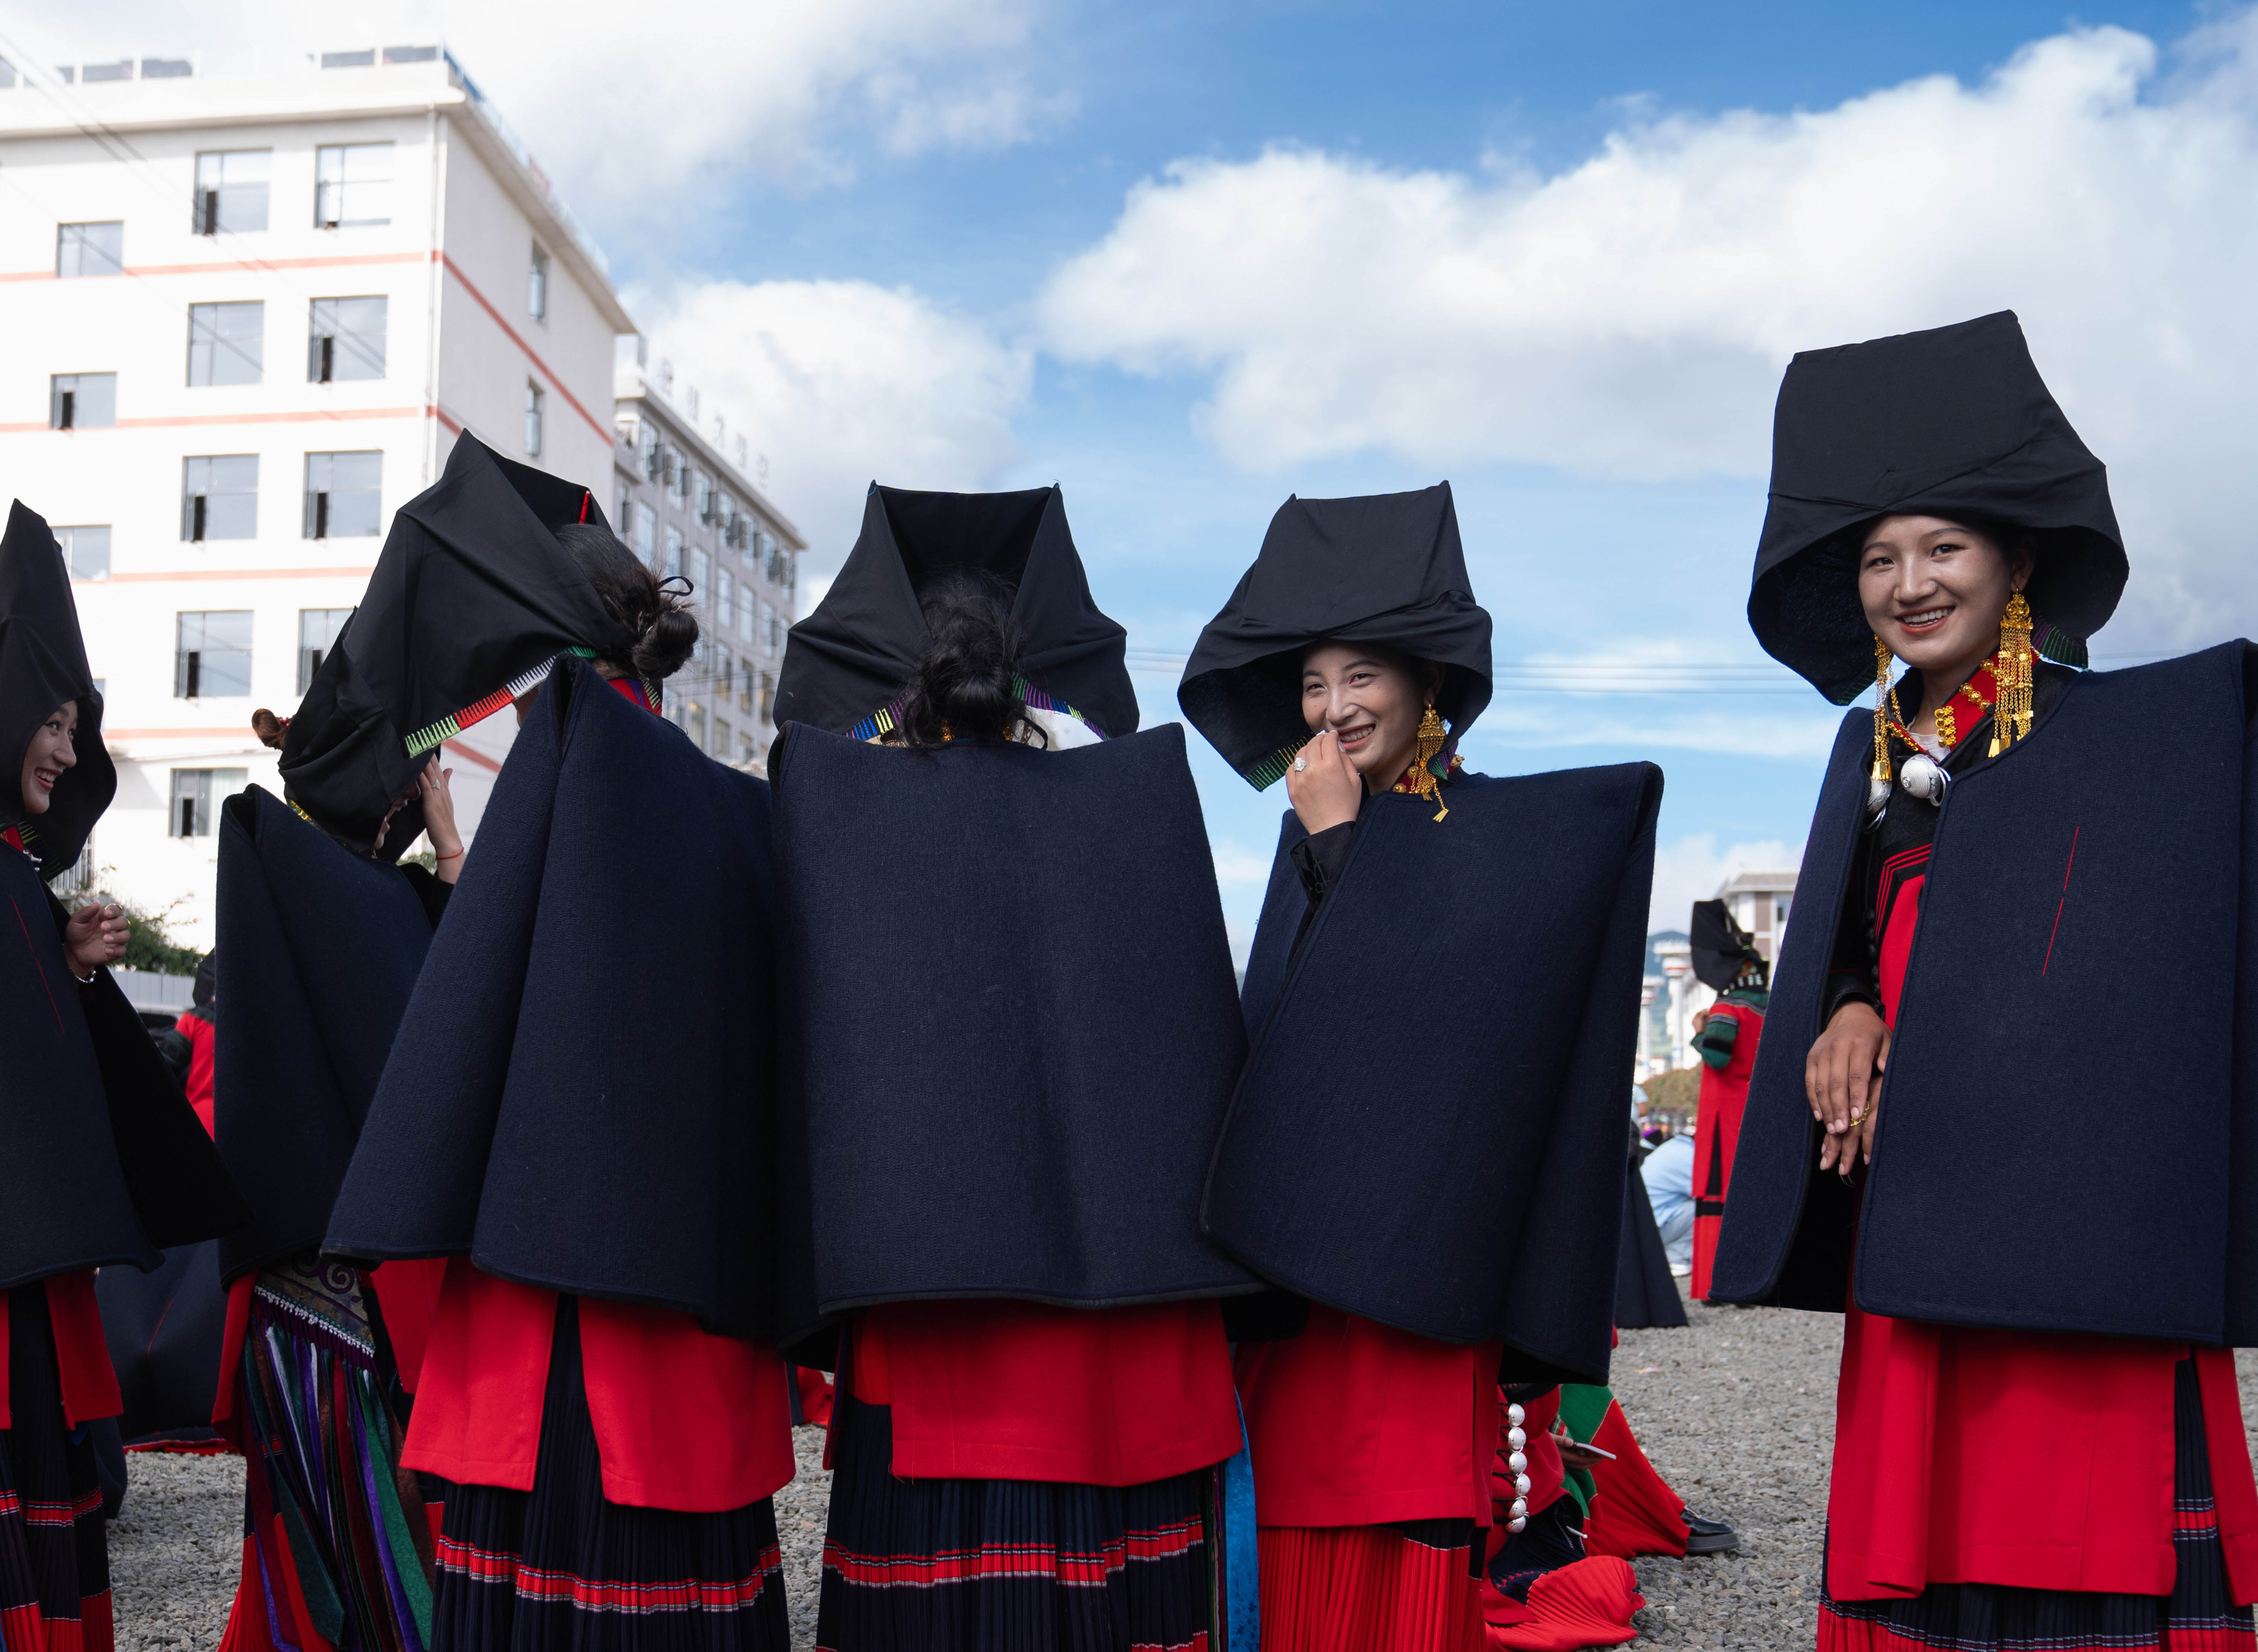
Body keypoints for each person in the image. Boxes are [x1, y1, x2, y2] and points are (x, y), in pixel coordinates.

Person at [1711, 311, 2258, 1652]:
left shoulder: (2130, 745)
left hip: (2091, 1199)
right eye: (1878, 557)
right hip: (1925, 1193)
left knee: (2091, 1506)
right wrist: (1846, 1006)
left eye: (1942, 547)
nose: (1910, 582)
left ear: (2015, 560)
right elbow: (1848, 934)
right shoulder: (1869, 759)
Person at [1180, 484, 1661, 1652]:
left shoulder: (1486, 839)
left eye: (1361, 677)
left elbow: (1440, 1057)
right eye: (1312, 682)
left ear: (1427, 684)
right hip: (1299, 1286)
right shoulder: (1304, 824)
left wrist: (1348, 847)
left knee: (1403, 1535)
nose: (1333, 706)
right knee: (1288, 1536)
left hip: (1421, 1284)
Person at [773, 485, 1250, 1651]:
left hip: (927, 1302)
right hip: (1109, 1320)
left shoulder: (843, 816)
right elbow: (1193, 1052)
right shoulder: (1130, 801)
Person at [325, 505, 796, 1649]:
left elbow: (465, 1027)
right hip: (693, 1320)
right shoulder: (734, 804)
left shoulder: (567, 752)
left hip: (551, 1318)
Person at [210, 434, 614, 1652]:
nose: (427, 787)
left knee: (374, 1556)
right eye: (414, 773)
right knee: (370, 1568)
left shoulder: (361, 887)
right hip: (325, 1306)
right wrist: (441, 854)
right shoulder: (273, 852)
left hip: (361, 1302)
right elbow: (424, 1027)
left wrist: (444, 854)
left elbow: (450, 1010)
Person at [0, 499, 248, 1651]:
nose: (66, 749)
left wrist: (80, 976)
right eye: (50, 722)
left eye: (72, 726)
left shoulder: (17, 883)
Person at [1686, 901, 1767, 1301]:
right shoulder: (1771, 1004)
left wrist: (1699, 1032)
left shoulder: (1729, 1006)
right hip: (1757, 1116)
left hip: (1724, 1117)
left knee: (1718, 1195)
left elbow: (1717, 1054)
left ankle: (1719, 1282)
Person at [1640, 1127, 1694, 1274]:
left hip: (1642, 1228)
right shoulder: (1688, 1155)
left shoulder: (1673, 1148)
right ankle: (1676, 1259)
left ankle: (1670, 1256)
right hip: (1650, 1231)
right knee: (1700, 1209)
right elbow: (1710, 1195)